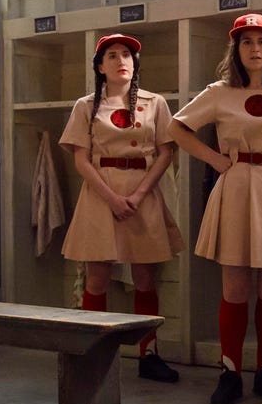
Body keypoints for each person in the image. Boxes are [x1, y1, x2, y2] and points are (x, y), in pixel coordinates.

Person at [170, 13, 262, 404]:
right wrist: (213, 160)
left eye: (261, 42)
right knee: (234, 287)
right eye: (246, 42)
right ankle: (229, 372)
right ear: (236, 49)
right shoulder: (219, 92)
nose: (255, 49)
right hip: (235, 186)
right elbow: (176, 128)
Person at [59, 33, 183, 383]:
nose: (120, 61)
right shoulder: (86, 105)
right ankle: (93, 355)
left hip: (142, 192)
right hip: (101, 194)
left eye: (126, 54)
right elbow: (81, 159)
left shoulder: (154, 102)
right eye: (111, 55)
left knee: (145, 277)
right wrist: (112, 198)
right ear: (100, 66)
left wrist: (140, 194)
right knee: (97, 277)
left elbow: (165, 152)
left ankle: (149, 353)